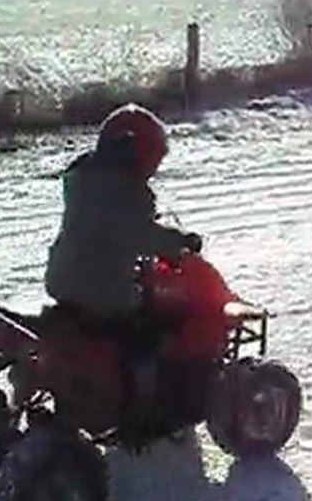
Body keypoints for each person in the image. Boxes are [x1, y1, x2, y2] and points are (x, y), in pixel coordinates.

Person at [43, 103, 202, 431]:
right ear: (138, 153)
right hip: (101, 293)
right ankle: (143, 407)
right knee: (149, 331)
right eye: (153, 159)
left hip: (61, 279)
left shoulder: (82, 179)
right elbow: (141, 236)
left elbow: (110, 232)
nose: (154, 169)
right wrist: (179, 242)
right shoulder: (129, 194)